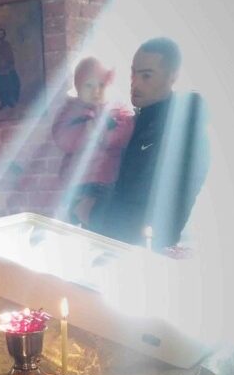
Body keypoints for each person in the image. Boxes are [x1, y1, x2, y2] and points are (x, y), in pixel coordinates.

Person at [90, 37, 210, 249]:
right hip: (117, 245)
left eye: (146, 75)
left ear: (172, 76)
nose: (135, 83)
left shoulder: (183, 134)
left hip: (139, 254)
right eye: (133, 73)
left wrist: (91, 212)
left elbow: (157, 215)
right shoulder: (143, 120)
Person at [52, 56, 133, 227]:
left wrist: (104, 134)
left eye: (101, 85)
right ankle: (76, 213)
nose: (96, 91)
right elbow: (62, 137)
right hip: (77, 182)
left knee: (102, 220)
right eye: (89, 85)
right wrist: (88, 130)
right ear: (78, 87)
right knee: (75, 220)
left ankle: (85, 218)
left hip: (107, 180)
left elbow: (125, 133)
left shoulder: (117, 110)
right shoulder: (71, 110)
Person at [0, 28, 21, 110]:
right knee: (1, 86)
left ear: (4, 35)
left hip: (7, 69)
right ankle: (3, 101)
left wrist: (8, 62)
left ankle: (9, 101)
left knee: (8, 85)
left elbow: (10, 55)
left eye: (2, 34)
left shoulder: (7, 45)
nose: (1, 35)